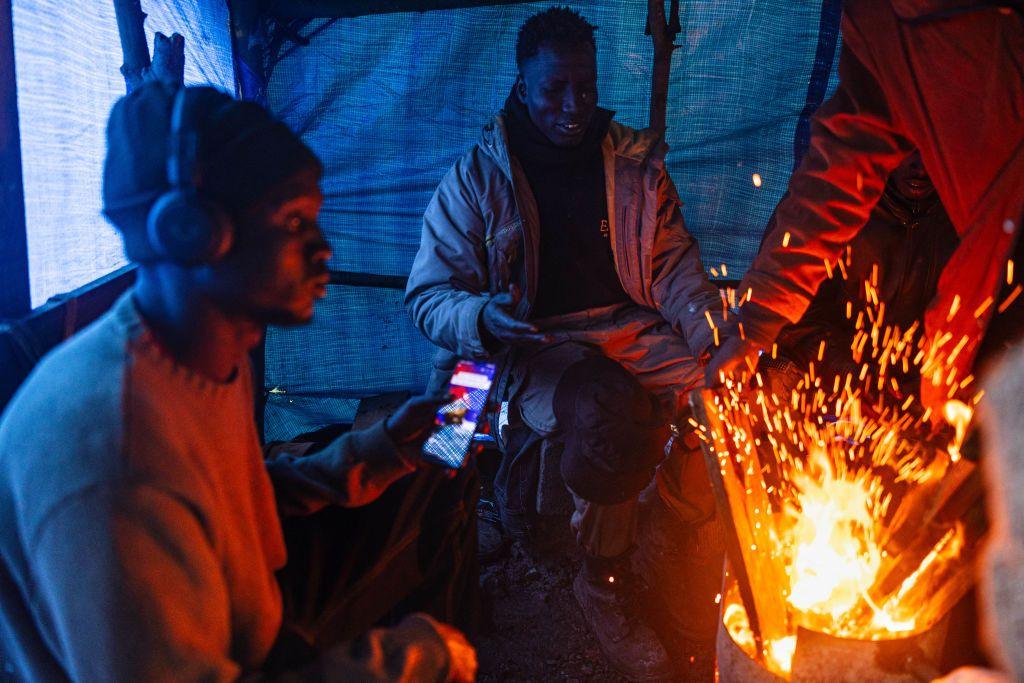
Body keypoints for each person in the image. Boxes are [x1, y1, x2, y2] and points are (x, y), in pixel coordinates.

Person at [0, 83, 476, 681]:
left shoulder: (202, 355)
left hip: (247, 610)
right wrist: (406, 661)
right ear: (193, 232)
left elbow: (229, 503)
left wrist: (377, 455)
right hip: (231, 652)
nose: (323, 248)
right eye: (294, 220)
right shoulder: (115, 460)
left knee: (441, 465)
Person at [406, 7, 724, 679]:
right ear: (522, 86)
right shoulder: (478, 178)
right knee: (458, 440)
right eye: (554, 89)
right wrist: (484, 316)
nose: (574, 104)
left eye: (585, 85)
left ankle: (677, 537)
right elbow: (429, 297)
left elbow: (673, 269)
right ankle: (584, 575)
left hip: (627, 327)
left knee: (722, 394)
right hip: (519, 342)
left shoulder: (633, 163)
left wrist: (710, 337)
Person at [707, 1, 1024, 416]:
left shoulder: (994, 28)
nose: (918, 164)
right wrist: (758, 319)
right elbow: (845, 157)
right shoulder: (876, 17)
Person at [765, 151, 958, 397]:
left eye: (929, 150)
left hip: (921, 386)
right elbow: (789, 320)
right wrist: (850, 375)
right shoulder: (829, 200)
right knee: (774, 379)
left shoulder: (968, 213)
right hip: (827, 373)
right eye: (909, 150)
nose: (919, 168)